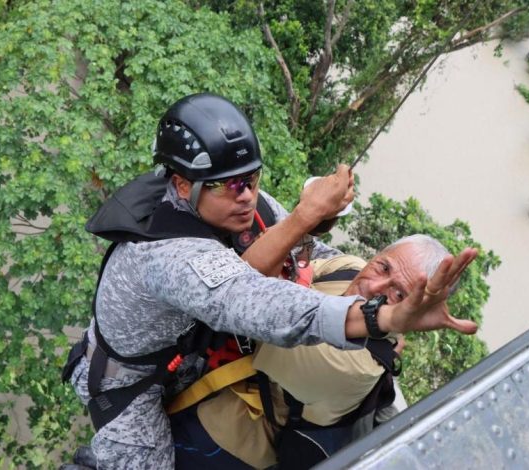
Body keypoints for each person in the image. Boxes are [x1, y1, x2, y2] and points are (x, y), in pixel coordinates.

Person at [62, 93, 478, 469]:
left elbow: (303, 254)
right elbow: (253, 301)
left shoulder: (245, 207)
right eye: (227, 185)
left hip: (186, 354)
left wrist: (335, 241)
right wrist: (378, 320)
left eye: (252, 178)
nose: (245, 194)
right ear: (182, 185)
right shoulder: (166, 257)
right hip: (130, 383)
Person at [170, 234, 453, 469]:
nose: (373, 288)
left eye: (399, 295)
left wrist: (307, 216)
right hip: (208, 378)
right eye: (383, 267)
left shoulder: (355, 365)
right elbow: (293, 270)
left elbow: (254, 311)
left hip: (224, 440)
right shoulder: (352, 267)